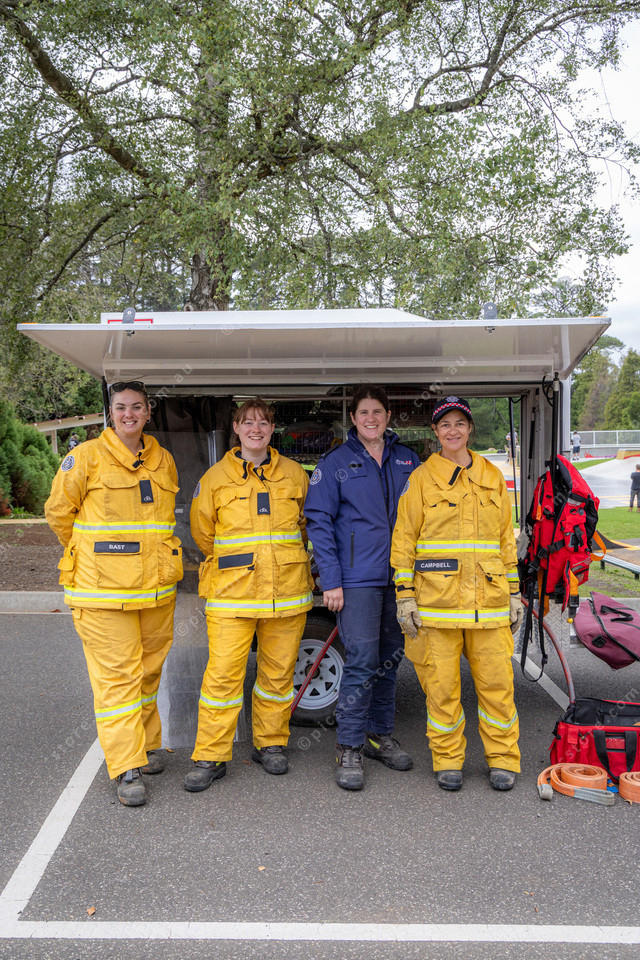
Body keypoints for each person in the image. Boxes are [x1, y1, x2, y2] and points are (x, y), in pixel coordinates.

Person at [45, 380, 183, 807]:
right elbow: (58, 513)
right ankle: (126, 766)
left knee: (148, 674)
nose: (129, 414)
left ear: (148, 412)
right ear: (110, 412)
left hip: (155, 592)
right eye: (121, 407)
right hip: (102, 593)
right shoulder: (85, 457)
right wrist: (91, 554)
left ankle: (146, 744)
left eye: (137, 407)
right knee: (118, 679)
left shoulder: (163, 459)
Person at [391, 395, 521, 792]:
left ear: (470, 429)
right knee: (442, 690)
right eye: (445, 424)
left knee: (498, 689)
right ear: (435, 431)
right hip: (438, 606)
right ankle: (448, 760)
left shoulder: (492, 475)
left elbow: (505, 538)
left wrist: (514, 593)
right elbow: (404, 539)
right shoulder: (421, 479)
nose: (453, 430)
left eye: (459, 423)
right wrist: (404, 596)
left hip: (489, 604)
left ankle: (503, 760)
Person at [185, 398, 313, 791]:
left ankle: (270, 743)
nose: (256, 429)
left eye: (263, 422)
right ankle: (211, 755)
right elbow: (203, 534)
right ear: (236, 429)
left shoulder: (295, 475)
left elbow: (305, 526)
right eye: (248, 422)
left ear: (272, 429)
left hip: (286, 596)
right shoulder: (214, 479)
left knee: (278, 675)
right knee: (222, 678)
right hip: (232, 597)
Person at [304, 385, 420, 791]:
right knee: (362, 660)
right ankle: (349, 745)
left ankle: (378, 735)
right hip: (356, 580)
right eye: (364, 412)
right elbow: (318, 523)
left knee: (390, 659)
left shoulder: (408, 460)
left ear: (388, 416)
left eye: (378, 412)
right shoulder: (336, 463)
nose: (371, 419)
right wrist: (331, 580)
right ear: (353, 418)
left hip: (399, 578)